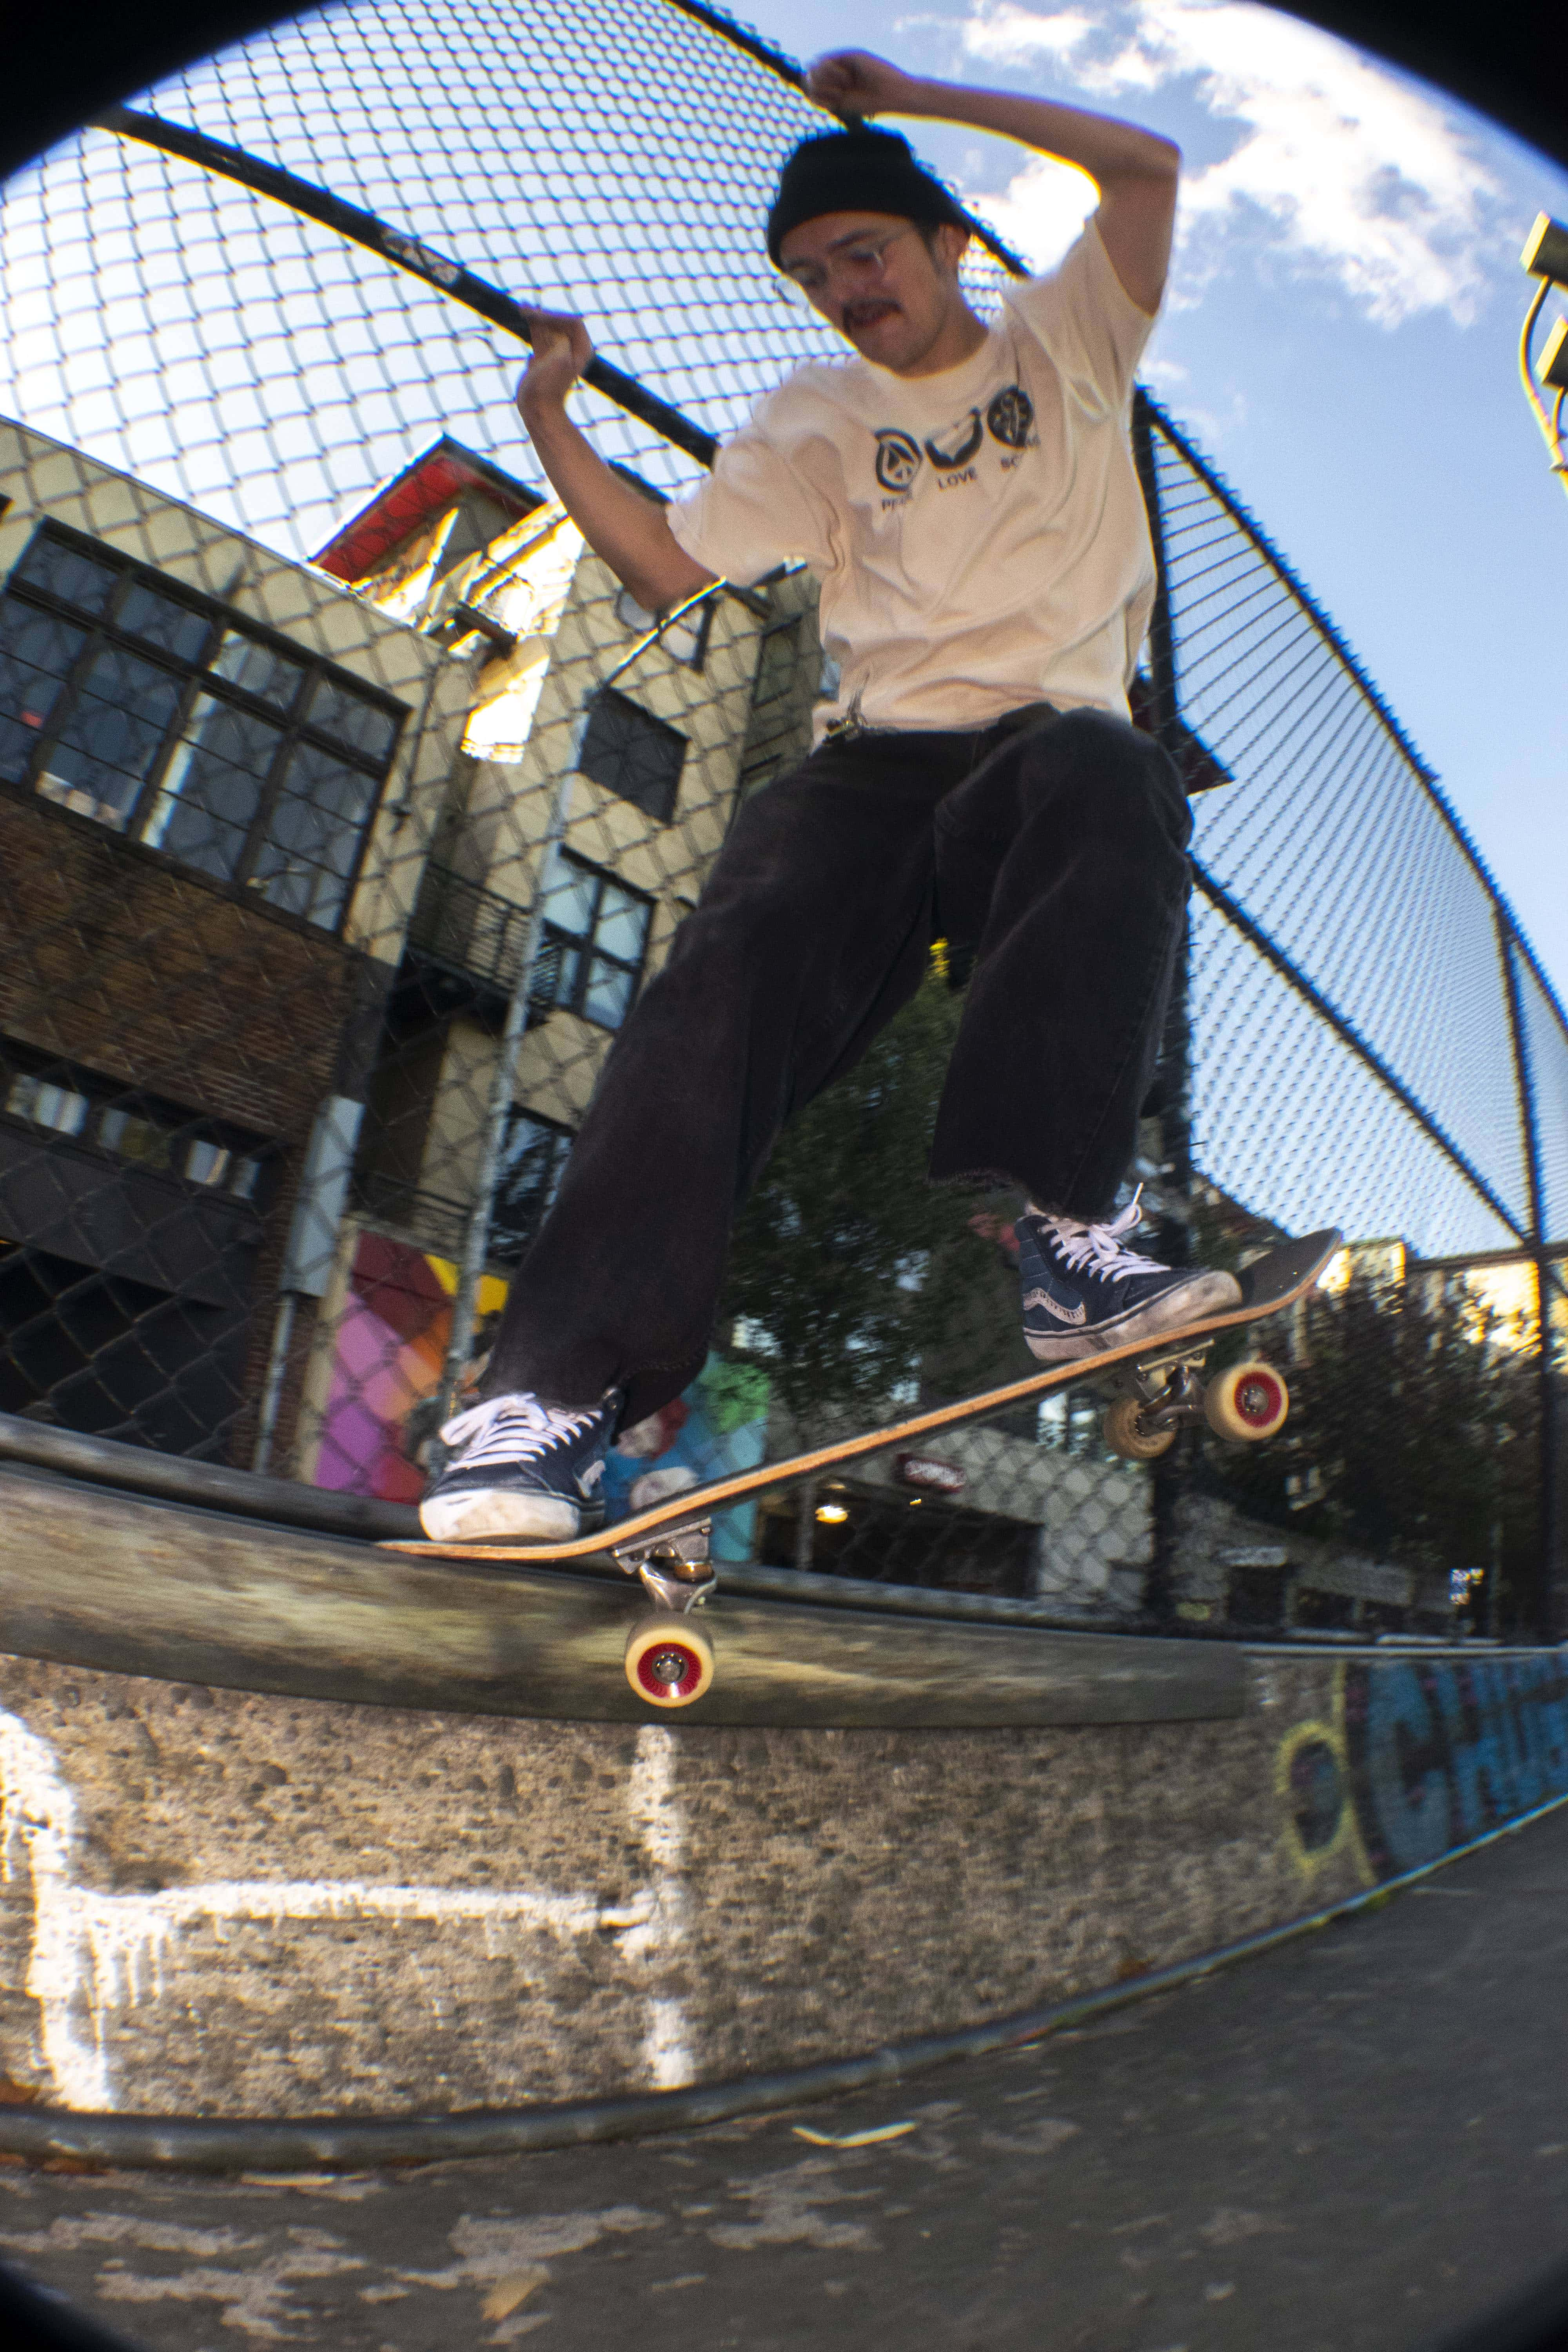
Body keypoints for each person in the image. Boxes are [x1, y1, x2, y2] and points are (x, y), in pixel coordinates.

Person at [421, 48, 1242, 1544]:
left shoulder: (1068, 341)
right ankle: (542, 1402)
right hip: (874, 770)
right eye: (815, 274)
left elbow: (1145, 172)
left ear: (948, 242)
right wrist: (550, 412)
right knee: (719, 980)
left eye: (869, 252)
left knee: (1114, 773)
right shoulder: (813, 416)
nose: (849, 290)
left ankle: (1070, 1237)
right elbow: (667, 564)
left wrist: (916, 94)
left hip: (1040, 757)